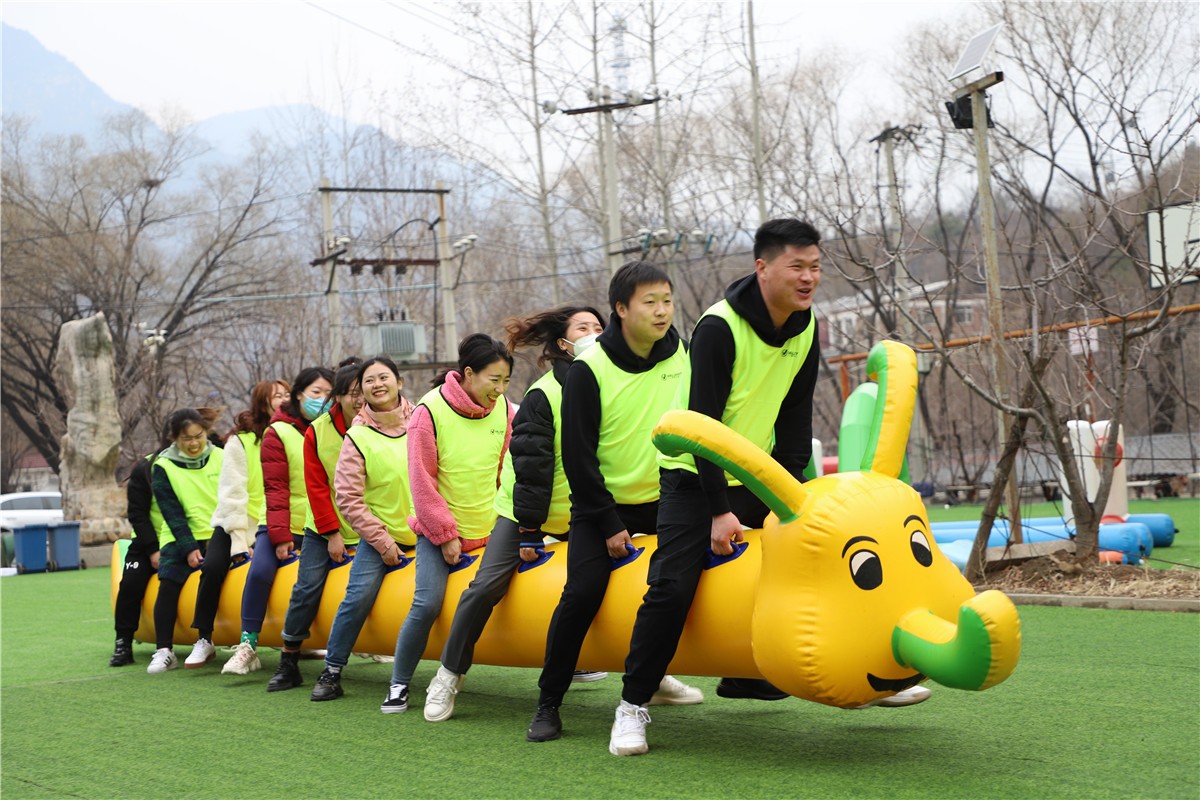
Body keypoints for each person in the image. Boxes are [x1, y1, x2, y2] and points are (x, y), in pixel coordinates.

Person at [608, 219, 927, 757]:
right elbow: (701, 423)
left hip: (759, 471)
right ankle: (633, 705)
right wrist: (718, 511)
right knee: (671, 587)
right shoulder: (719, 328)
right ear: (762, 268)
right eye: (796, 267)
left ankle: (870, 676)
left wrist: (790, 494)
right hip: (694, 475)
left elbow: (796, 416)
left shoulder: (806, 324)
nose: (808, 278)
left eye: (815, 267)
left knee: (826, 558)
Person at [526, 261, 693, 744]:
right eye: (649, 302)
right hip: (603, 505)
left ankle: (660, 685)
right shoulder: (589, 369)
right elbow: (578, 458)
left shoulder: (682, 352)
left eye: (667, 301)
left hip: (670, 497)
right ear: (621, 308)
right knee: (581, 594)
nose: (662, 312)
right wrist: (607, 523)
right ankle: (549, 701)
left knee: (681, 585)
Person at [422, 306, 606, 722]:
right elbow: (531, 471)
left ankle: (655, 676)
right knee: (485, 587)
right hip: (524, 508)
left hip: (585, 507)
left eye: (599, 327)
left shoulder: (611, 385)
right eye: (583, 328)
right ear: (563, 343)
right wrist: (529, 531)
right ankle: (448, 674)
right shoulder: (545, 395)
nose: (594, 334)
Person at [380, 334, 514, 714]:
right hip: (439, 531)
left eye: (506, 381)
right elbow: (422, 480)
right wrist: (445, 534)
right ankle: (399, 683)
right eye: (494, 380)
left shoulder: (504, 409)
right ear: (469, 374)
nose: (500, 389)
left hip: (491, 527)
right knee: (427, 604)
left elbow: (505, 469)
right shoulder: (429, 412)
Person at [307, 355, 417, 701]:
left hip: (428, 529)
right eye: (369, 381)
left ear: (399, 382)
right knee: (357, 597)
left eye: (384, 377)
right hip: (380, 534)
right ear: (362, 391)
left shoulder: (423, 421)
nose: (377, 385)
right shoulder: (357, 436)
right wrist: (382, 542)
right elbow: (349, 498)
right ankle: (332, 670)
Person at [223, 366, 335, 675]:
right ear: (298, 395)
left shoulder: (333, 429)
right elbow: (276, 488)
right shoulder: (278, 432)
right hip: (281, 522)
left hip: (321, 523)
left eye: (328, 393)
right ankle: (248, 644)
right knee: (260, 572)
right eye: (316, 392)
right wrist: (280, 535)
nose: (323, 399)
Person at [266, 359, 367, 691]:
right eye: (352, 393)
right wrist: (332, 534)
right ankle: (289, 659)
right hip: (326, 525)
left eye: (364, 391)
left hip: (373, 524)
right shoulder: (318, 430)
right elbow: (317, 486)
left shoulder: (384, 423)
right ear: (338, 396)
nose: (360, 399)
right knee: (306, 587)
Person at [185, 379, 289, 669]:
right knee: (213, 567)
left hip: (277, 520)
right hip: (237, 522)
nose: (283, 400)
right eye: (276, 396)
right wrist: (240, 543)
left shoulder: (293, 435)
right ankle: (204, 638)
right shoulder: (240, 441)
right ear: (262, 402)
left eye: (287, 394)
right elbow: (233, 495)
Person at [146, 409, 225, 673]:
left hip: (218, 532)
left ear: (207, 432)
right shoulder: (162, 466)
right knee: (168, 582)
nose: (193, 443)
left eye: (198, 436)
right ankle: (164, 650)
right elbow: (172, 513)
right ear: (174, 438)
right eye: (186, 438)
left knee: (212, 572)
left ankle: (205, 640)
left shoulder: (222, 457)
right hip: (180, 535)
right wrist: (189, 548)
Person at [109, 416, 173, 667]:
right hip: (149, 544)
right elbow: (137, 514)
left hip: (186, 541)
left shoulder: (203, 464)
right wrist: (153, 550)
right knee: (130, 585)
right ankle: (123, 642)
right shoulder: (145, 468)